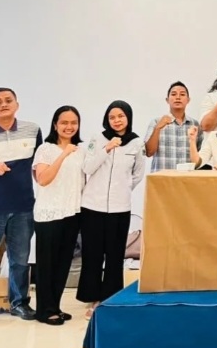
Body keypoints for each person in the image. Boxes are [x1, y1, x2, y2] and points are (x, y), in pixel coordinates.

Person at [0, 88, 42, 329]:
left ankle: (19, 303)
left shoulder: (32, 130)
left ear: (17, 104)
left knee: (20, 260)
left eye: (8, 100)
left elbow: (40, 164)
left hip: (23, 207)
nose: (3, 104)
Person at [77, 101, 146, 319]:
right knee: (93, 254)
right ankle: (92, 297)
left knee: (115, 255)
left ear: (128, 117)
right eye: (112, 117)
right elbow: (87, 167)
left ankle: (111, 297)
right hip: (92, 206)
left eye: (121, 116)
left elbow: (137, 174)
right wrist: (106, 148)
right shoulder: (97, 139)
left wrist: (122, 189)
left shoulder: (136, 143)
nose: (117, 120)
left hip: (120, 207)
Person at [32, 106, 85, 325]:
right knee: (47, 264)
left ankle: (55, 306)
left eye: (74, 122)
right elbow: (43, 179)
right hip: (49, 214)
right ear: (55, 124)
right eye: (64, 122)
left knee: (63, 263)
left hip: (72, 213)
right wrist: (64, 154)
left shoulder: (81, 150)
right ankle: (44, 311)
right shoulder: (45, 149)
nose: (69, 127)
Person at [144, 81, 202, 172]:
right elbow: (149, 152)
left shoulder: (195, 125)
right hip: (161, 178)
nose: (178, 97)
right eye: (174, 94)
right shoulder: (156, 122)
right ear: (167, 100)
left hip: (187, 178)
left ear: (188, 100)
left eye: (182, 94)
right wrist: (157, 128)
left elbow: (200, 158)